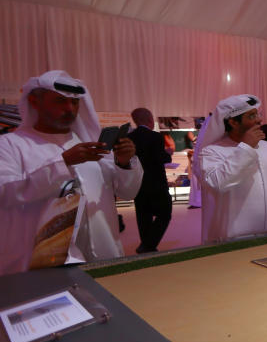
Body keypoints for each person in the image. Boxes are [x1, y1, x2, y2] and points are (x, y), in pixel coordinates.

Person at [0, 70, 142, 275]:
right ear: (34, 101)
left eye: (75, 103)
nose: (69, 109)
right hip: (38, 264)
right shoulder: (10, 146)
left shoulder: (89, 144)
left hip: (102, 256)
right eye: (60, 101)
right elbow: (5, 194)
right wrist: (63, 164)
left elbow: (129, 192)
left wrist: (125, 162)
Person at [196, 94, 267, 244]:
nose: (259, 120)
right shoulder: (212, 152)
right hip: (236, 237)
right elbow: (217, 184)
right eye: (251, 116)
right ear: (233, 122)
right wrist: (245, 148)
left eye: (258, 114)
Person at [128, 107, 173, 253]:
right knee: (165, 214)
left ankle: (146, 245)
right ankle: (148, 245)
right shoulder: (155, 137)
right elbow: (160, 157)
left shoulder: (129, 137)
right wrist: (169, 154)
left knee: (143, 216)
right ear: (150, 120)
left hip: (138, 183)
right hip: (157, 182)